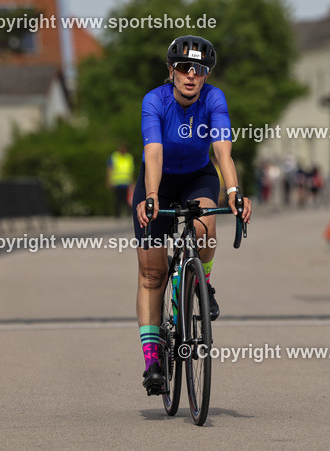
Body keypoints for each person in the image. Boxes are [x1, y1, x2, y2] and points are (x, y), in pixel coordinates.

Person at [133, 35, 252, 396]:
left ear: (206, 75)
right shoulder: (155, 100)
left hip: (197, 176)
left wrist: (233, 192)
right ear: (171, 71)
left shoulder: (214, 99)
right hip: (159, 180)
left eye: (198, 70)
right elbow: (153, 152)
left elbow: (222, 150)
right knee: (152, 273)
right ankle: (153, 360)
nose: (190, 76)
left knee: (206, 226)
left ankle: (203, 282)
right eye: (183, 68)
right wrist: (151, 196)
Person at [107, 144, 135, 218]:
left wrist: (132, 181)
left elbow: (131, 170)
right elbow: (109, 169)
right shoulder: (114, 157)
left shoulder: (129, 157)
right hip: (117, 182)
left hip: (126, 182)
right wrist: (109, 180)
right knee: (118, 200)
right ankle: (117, 215)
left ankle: (128, 214)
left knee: (127, 200)